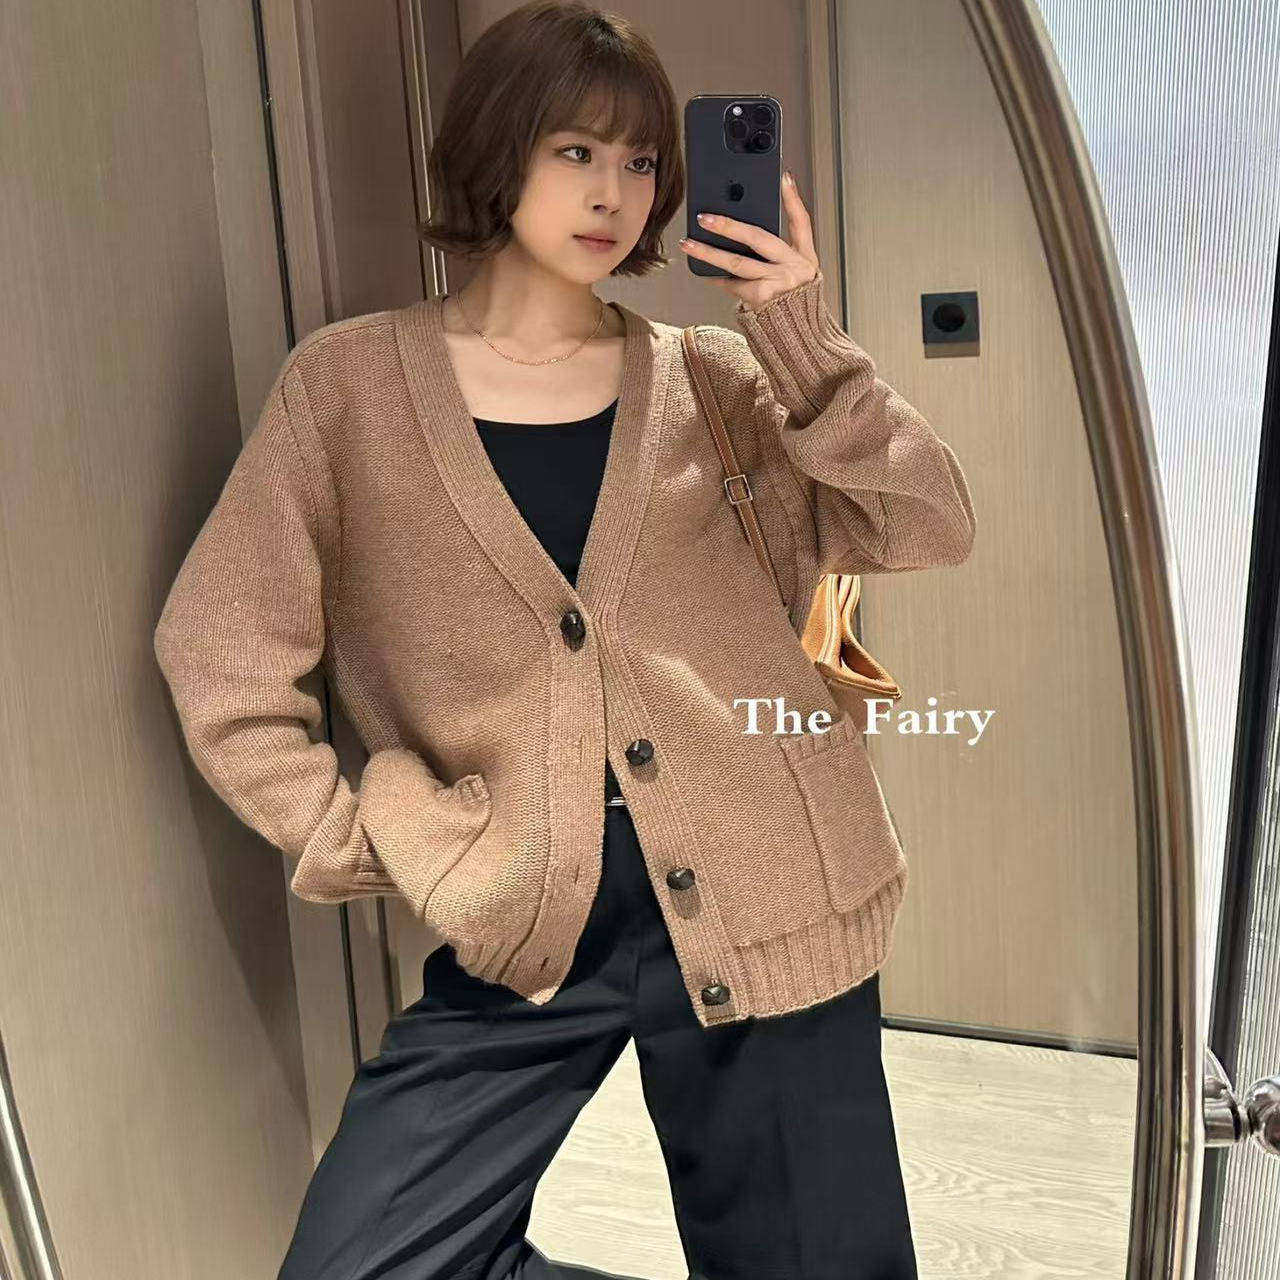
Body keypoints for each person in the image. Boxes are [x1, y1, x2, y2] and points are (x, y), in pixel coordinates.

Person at [154, 3, 977, 1277]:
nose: (613, 192)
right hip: (526, 903)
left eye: (640, 160)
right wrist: (361, 836)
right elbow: (219, 647)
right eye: (575, 150)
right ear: (498, 149)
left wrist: (798, 332)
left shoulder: (716, 380)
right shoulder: (347, 389)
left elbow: (924, 523)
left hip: (770, 881)